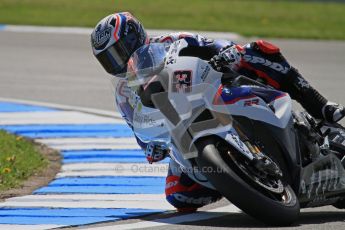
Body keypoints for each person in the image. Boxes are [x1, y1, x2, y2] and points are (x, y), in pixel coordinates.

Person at [91, 12, 345, 212]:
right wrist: (151, 148)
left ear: (135, 36)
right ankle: (242, 176)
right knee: (178, 194)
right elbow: (138, 130)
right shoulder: (124, 93)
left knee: (259, 52)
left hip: (214, 87)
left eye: (119, 51)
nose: (118, 62)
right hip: (183, 131)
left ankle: (318, 105)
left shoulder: (170, 42)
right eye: (109, 59)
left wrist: (227, 51)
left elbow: (210, 45)